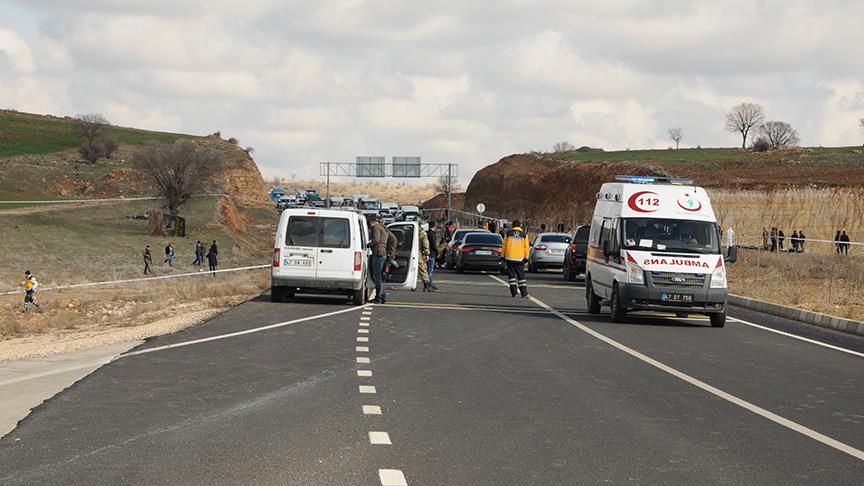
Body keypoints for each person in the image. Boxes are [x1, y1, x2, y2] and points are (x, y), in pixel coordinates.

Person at [370, 214, 397, 304]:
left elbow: (376, 240)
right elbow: (394, 239)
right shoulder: (385, 228)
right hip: (383, 253)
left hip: (378, 253)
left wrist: (368, 245)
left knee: (376, 276)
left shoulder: (376, 227)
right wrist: (392, 251)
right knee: (379, 277)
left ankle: (379, 297)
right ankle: (382, 296)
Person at [502, 220, 530, 298]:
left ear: (512, 226)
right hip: (519, 258)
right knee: (521, 276)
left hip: (509, 257)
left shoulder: (508, 233)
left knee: (511, 276)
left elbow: (504, 246)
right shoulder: (524, 234)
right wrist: (526, 258)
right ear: (520, 226)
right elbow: (526, 247)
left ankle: (514, 293)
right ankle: (524, 293)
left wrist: (502, 256)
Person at [418, 223, 431, 291]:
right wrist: (426, 253)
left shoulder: (410, 230)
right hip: (418, 252)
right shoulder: (422, 233)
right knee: (422, 268)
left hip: (410, 251)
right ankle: (426, 285)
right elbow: (426, 244)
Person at [427, 221, 439, 289]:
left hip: (427, 253)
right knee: (430, 271)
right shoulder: (432, 234)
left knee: (427, 270)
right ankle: (430, 284)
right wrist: (437, 252)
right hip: (432, 254)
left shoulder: (427, 233)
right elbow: (434, 245)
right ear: (434, 226)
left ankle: (429, 283)